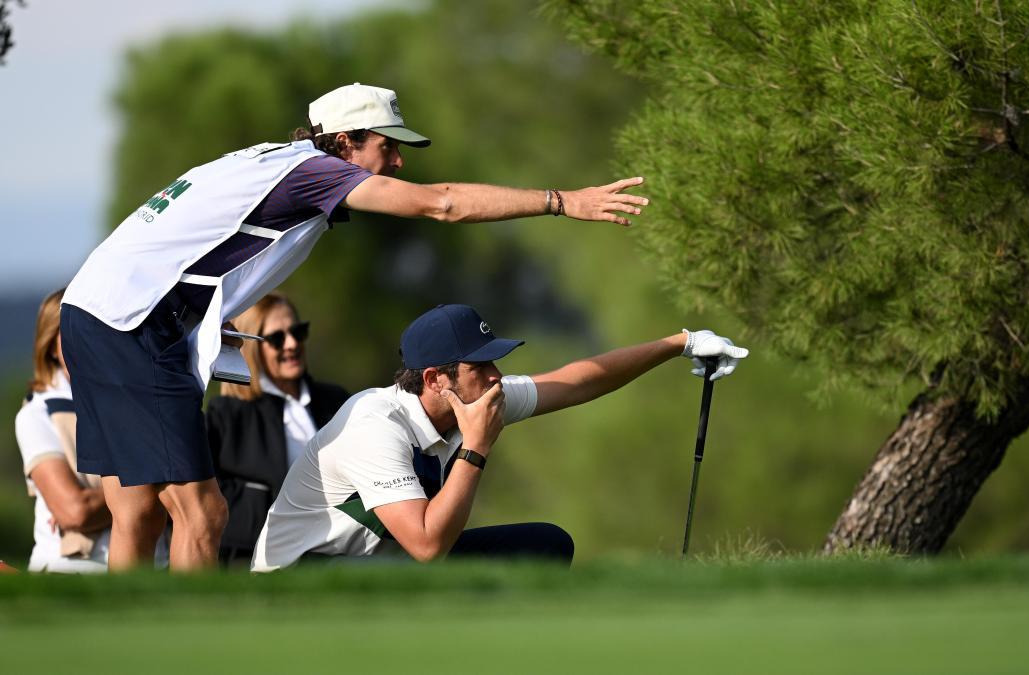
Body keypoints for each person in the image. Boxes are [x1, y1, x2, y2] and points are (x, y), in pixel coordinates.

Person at [58, 82, 651, 571]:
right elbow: (440, 203)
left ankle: (132, 635)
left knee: (135, 508)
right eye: (386, 148)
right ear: (344, 142)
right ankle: (197, 651)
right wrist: (560, 201)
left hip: (94, 311)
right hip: (136, 324)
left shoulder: (275, 163)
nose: (396, 162)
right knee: (202, 514)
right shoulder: (312, 172)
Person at [250, 304, 747, 571]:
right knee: (410, 570)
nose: (495, 376)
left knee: (547, 545)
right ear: (435, 379)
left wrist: (679, 343)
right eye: (479, 365)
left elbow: (578, 381)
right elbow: (426, 546)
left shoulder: (475, 399)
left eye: (493, 360)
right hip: (303, 577)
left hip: (376, 565)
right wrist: (477, 447)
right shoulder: (374, 424)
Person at [206, 293, 350, 567]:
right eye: (276, 338)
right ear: (252, 346)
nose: (292, 344)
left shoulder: (336, 401)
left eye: (298, 331)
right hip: (252, 558)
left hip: (333, 552)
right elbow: (205, 496)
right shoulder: (225, 414)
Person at [14, 289, 109, 572]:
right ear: (51, 346)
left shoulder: (133, 401)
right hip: (73, 573)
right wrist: (149, 494)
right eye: (72, 332)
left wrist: (101, 501)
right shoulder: (37, 413)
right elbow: (75, 511)